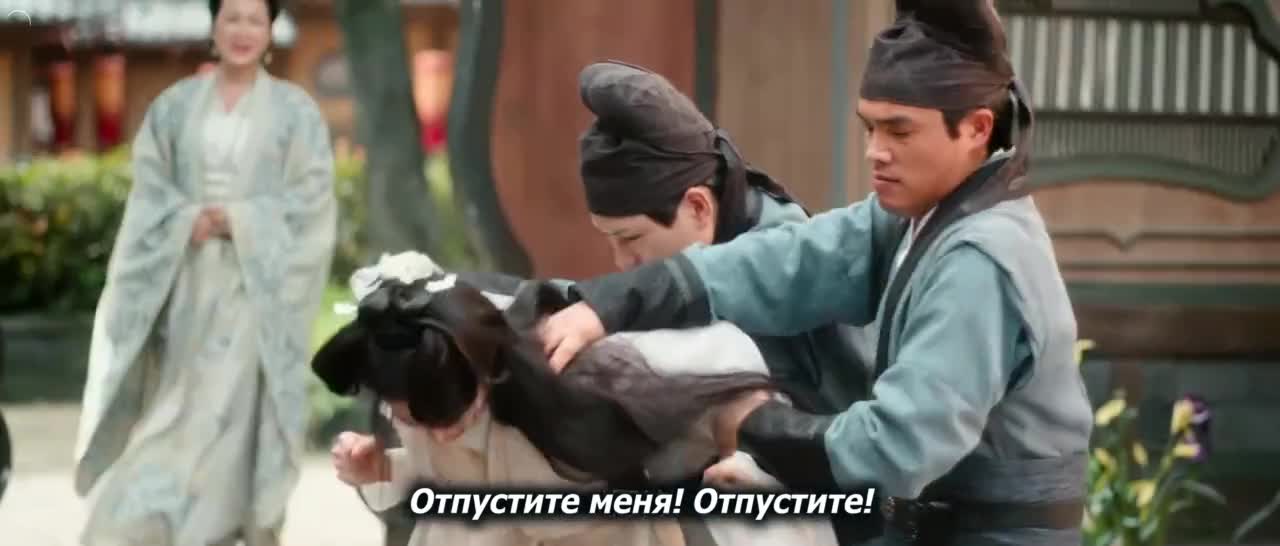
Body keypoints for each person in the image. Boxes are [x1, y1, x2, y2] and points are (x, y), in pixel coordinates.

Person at [536, 1, 1094, 545]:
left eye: (899, 132)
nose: (875, 152)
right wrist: (610, 303)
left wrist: (752, 426)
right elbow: (782, 263)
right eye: (870, 129)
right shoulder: (912, 215)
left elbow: (896, 448)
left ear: (975, 128)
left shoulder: (981, 258)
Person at [315, 254, 837, 546]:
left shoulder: (568, 397)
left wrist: (739, 455)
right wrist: (384, 468)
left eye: (445, 418)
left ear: (484, 375)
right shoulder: (428, 385)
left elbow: (725, 371)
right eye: (411, 417)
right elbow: (453, 474)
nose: (439, 433)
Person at [72, 0, 338, 544]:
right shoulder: (174, 107)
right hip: (184, 285)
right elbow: (149, 195)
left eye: (254, 20)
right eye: (231, 18)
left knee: (226, 412)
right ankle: (137, 526)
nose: (242, 31)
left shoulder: (296, 113)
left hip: (255, 294)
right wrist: (183, 219)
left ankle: (208, 529)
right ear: (214, 26)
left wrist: (239, 219)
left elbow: (311, 203)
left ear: (270, 31)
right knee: (173, 410)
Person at [467, 60, 872, 416]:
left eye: (630, 237)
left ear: (698, 207)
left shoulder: (783, 257)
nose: (622, 262)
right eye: (610, 240)